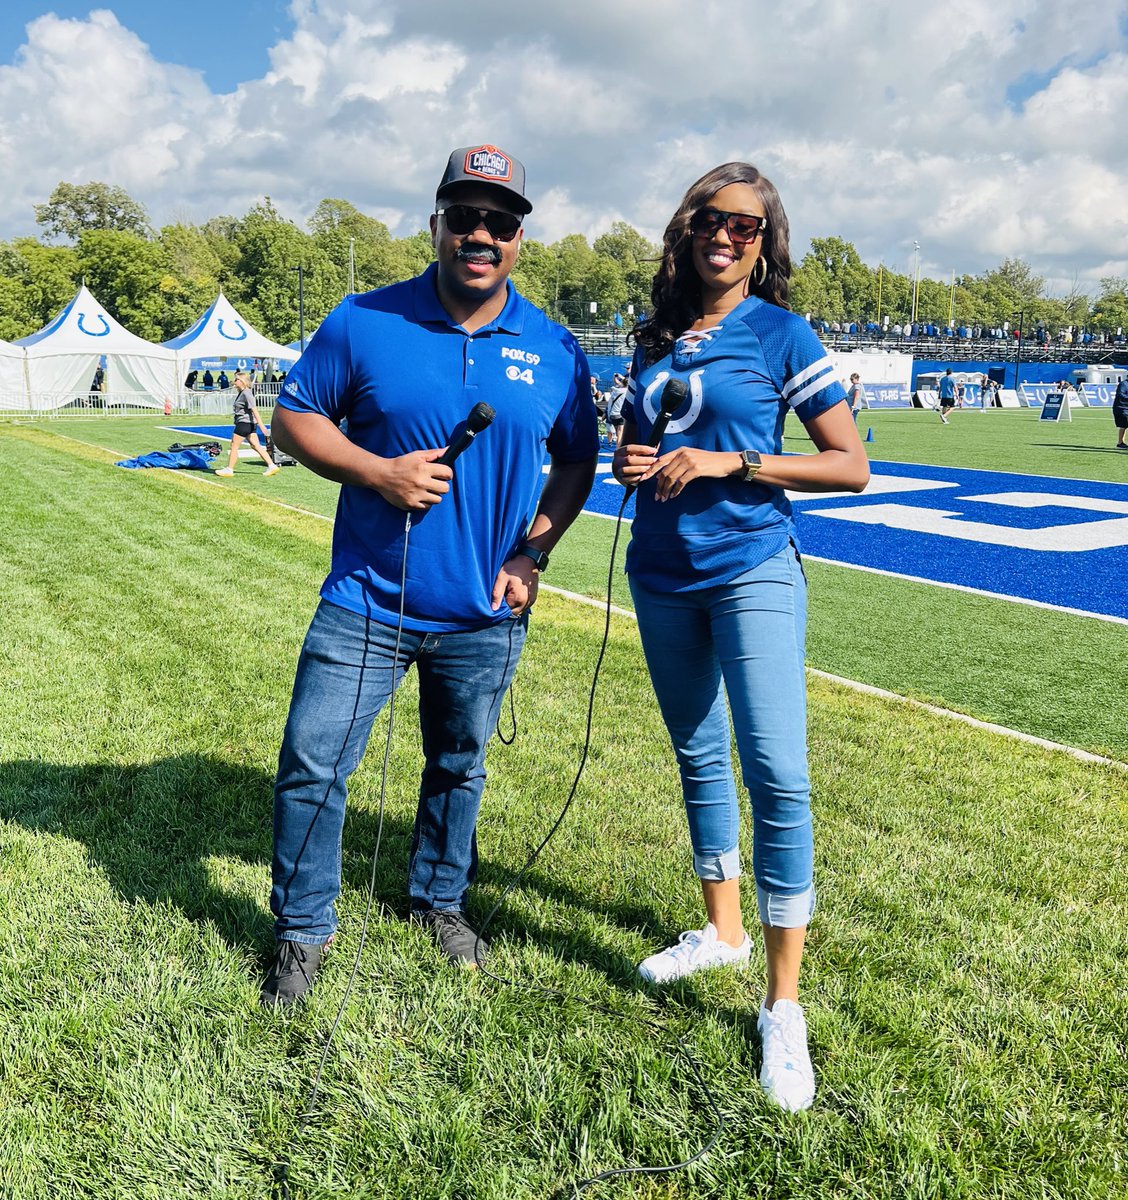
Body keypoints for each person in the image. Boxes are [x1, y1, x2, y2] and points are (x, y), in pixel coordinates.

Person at [260, 143, 599, 1007]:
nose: (481, 234)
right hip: (366, 599)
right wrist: (378, 472)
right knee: (313, 762)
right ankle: (303, 932)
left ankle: (437, 901)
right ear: (438, 224)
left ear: (520, 238)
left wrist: (535, 551)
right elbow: (295, 418)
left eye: (501, 221)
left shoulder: (556, 347)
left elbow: (575, 464)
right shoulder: (363, 319)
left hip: (484, 611)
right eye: (466, 217)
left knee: (458, 764)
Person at [612, 162, 868, 1113]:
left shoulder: (781, 332)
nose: (727, 236)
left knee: (778, 771)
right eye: (713, 220)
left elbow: (851, 467)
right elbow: (631, 450)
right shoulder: (653, 338)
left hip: (753, 568)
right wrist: (634, 462)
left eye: (747, 227)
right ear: (687, 228)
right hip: (661, 573)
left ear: (766, 243)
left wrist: (737, 460)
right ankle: (720, 933)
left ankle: (783, 1004)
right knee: (696, 754)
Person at [213, 371, 279, 477]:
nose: (234, 382)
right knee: (256, 445)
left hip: (245, 423)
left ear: (242, 381)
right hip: (248, 423)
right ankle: (272, 466)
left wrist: (262, 426)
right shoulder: (242, 392)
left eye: (236, 380)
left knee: (234, 445)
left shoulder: (246, 393)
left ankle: (229, 469)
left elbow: (254, 409)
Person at [1114, 376, 1128, 448]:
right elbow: (1121, 394)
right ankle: (1120, 442)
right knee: (1123, 425)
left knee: (1124, 426)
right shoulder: (1124, 384)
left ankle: (1120, 442)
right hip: (1121, 407)